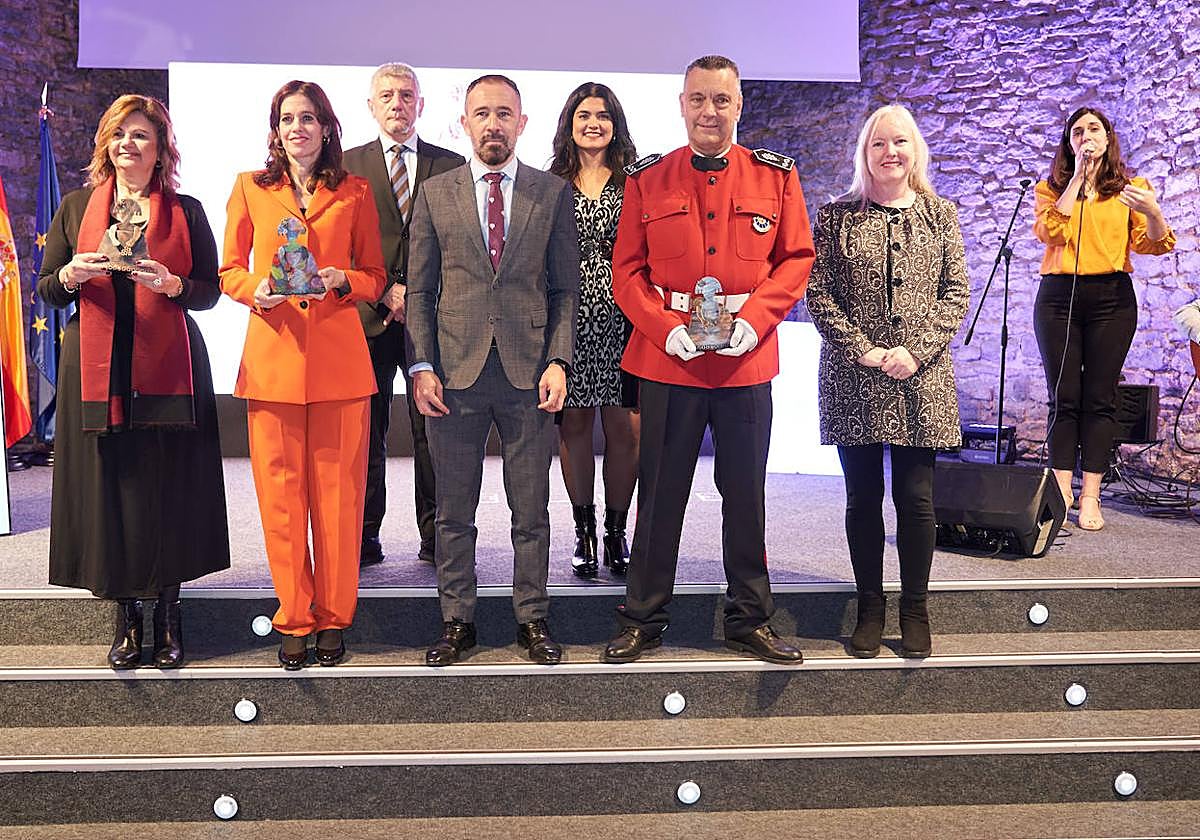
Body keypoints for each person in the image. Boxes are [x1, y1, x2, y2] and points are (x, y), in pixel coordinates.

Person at [602, 55, 813, 665]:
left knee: (745, 495)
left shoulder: (776, 176)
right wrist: (663, 330)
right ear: (682, 105)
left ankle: (749, 618)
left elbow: (796, 258)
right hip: (671, 361)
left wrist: (757, 319)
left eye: (721, 100)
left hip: (745, 361)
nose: (709, 111)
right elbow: (627, 271)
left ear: (738, 104)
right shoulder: (648, 178)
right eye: (698, 99)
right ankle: (643, 616)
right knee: (659, 494)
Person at [38, 94, 230, 669]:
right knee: (113, 489)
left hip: (169, 363)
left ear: (161, 149)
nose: (129, 144)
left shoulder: (187, 211)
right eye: (119, 134)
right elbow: (46, 288)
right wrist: (70, 273)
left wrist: (174, 285)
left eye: (141, 134)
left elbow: (210, 290)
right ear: (106, 144)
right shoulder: (77, 207)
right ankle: (126, 618)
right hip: (97, 367)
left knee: (165, 488)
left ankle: (169, 615)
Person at [406, 74, 580, 666]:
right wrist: (421, 365)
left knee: (531, 511)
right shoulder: (436, 193)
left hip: (529, 375)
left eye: (504, 113)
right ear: (464, 123)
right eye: (482, 113)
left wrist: (558, 359)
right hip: (452, 375)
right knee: (454, 512)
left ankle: (533, 618)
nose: (493, 124)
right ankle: (457, 620)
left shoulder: (551, 193)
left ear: (522, 123)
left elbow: (564, 289)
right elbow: (421, 291)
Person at [220, 80, 386, 670]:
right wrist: (256, 289)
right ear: (276, 130)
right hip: (273, 365)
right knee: (283, 503)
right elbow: (229, 271)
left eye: (308, 118)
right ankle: (293, 615)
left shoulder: (355, 191)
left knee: (340, 502)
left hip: (341, 367)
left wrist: (345, 279)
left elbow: (375, 274)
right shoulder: (250, 187)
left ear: (326, 127)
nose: (298, 128)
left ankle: (335, 617)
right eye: (288, 119)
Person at [806, 104, 970, 659]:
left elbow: (955, 293)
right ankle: (870, 607)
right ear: (865, 153)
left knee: (916, 500)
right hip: (855, 376)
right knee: (862, 498)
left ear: (914, 149)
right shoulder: (836, 216)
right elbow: (819, 293)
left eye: (899, 142)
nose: (890, 152)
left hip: (921, 377)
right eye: (878, 143)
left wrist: (914, 351)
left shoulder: (940, 214)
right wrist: (865, 350)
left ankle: (914, 608)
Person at [344, 63, 465, 568]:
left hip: (431, 320)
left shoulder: (451, 165)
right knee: (363, 434)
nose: (398, 103)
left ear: (421, 104)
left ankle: (437, 537)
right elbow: (338, 244)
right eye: (387, 95)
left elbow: (461, 244)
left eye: (407, 95)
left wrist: (418, 293)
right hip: (365, 318)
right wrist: (385, 292)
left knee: (432, 433)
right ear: (371, 105)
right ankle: (363, 535)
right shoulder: (344, 166)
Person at [1033, 107, 1174, 531]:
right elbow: (1051, 233)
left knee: (1099, 398)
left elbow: (1154, 244)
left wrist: (1153, 210)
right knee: (1063, 396)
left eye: (1093, 129)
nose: (1085, 137)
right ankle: (1061, 491)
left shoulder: (1132, 190)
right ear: (1069, 143)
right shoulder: (1050, 189)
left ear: (1108, 137)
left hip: (1111, 298)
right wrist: (1077, 178)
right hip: (1058, 298)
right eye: (1077, 132)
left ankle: (1091, 495)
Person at [547, 82, 640, 579]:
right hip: (569, 318)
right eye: (584, 115)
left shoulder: (637, 181)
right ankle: (583, 531)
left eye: (603, 115)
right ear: (570, 123)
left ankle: (616, 531)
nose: (593, 124)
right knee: (576, 425)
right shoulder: (549, 183)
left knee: (626, 429)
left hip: (627, 320)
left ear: (615, 124)